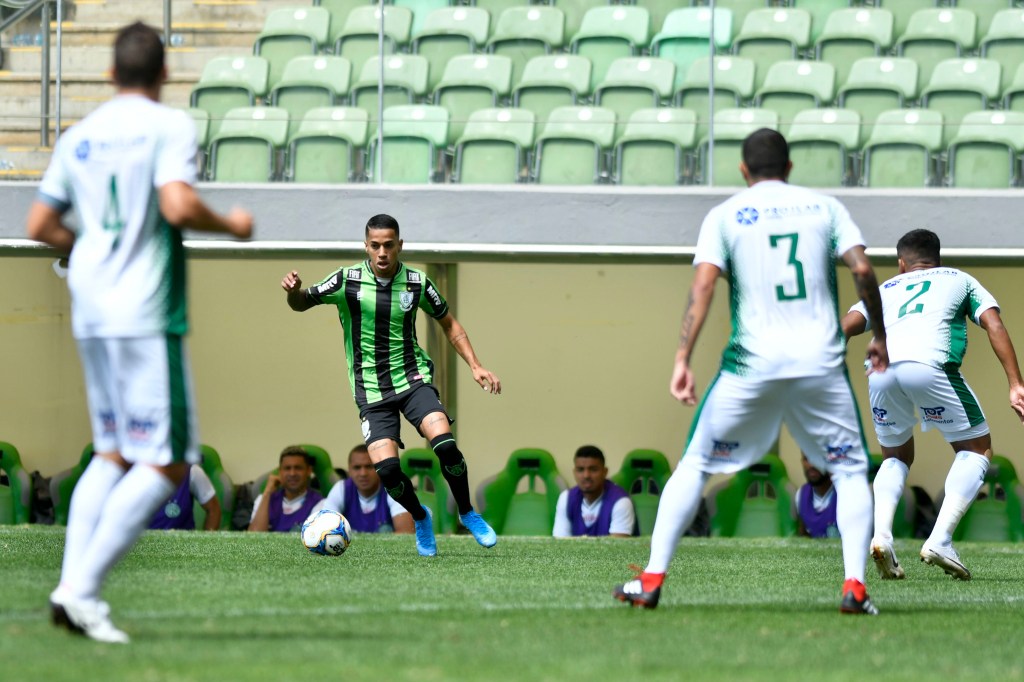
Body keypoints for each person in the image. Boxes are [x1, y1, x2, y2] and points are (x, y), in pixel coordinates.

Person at [27, 21, 253, 643]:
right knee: (170, 464)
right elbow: (178, 205)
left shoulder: (79, 136)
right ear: (164, 75)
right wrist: (232, 224)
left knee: (113, 452)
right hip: (146, 313)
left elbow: (40, 222)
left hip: (90, 309)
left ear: (108, 73)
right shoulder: (168, 125)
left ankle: (70, 592)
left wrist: (92, 247)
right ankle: (78, 590)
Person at [612, 128, 889, 615]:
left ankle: (652, 580)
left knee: (696, 465)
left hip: (751, 364)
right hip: (818, 365)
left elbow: (702, 289)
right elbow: (863, 271)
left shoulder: (724, 215)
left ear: (743, 171)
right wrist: (880, 336)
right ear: (790, 168)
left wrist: (682, 359)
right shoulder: (825, 208)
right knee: (849, 468)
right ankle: (854, 588)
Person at [280, 214, 500, 556]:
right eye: (375, 245)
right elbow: (301, 303)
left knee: (445, 446)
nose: (382, 252)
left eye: (388, 245)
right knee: (388, 470)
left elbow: (450, 324)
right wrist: (293, 293)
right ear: (365, 246)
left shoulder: (417, 282)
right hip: (371, 391)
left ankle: (467, 511)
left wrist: (476, 365)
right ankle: (419, 516)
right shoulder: (346, 281)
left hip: (412, 380)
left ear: (400, 245)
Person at [842, 228, 1024, 581]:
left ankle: (881, 537)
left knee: (895, 456)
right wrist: (1015, 383)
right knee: (977, 448)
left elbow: (847, 325)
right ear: (936, 259)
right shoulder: (959, 278)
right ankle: (939, 539)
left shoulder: (885, 289)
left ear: (901, 264)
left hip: (879, 372)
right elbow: (993, 323)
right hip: (929, 366)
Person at [321, 444, 413, 534]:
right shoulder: (341, 489)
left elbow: (405, 533)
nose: (363, 473)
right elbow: (324, 531)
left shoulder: (394, 488)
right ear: (349, 470)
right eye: (357, 468)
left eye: (369, 467)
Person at [553, 446, 636, 537]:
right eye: (580, 469)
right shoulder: (566, 498)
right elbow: (560, 543)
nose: (586, 475)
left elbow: (618, 548)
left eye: (593, 469)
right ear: (574, 472)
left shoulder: (621, 501)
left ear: (605, 472)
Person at [249, 446, 325, 532]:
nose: (292, 473)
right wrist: (267, 493)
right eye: (287, 468)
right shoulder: (263, 499)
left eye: (298, 468)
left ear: (309, 471)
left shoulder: (321, 504)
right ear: (280, 472)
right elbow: (253, 539)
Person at [148, 463, 222, 531]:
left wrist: (206, 543)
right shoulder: (139, 470)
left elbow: (213, 509)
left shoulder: (192, 471)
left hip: (182, 542)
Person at [795, 454, 839, 539]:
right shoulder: (801, 495)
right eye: (806, 458)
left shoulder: (846, 493)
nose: (811, 465)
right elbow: (802, 537)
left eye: (818, 457)